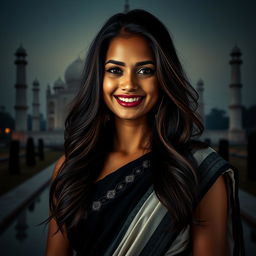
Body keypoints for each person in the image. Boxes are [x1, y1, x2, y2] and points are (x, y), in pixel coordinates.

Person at [45, 9, 244, 256]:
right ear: (98, 78)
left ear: (163, 76)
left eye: (145, 70)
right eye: (115, 70)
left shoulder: (197, 172)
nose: (129, 84)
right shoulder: (70, 167)